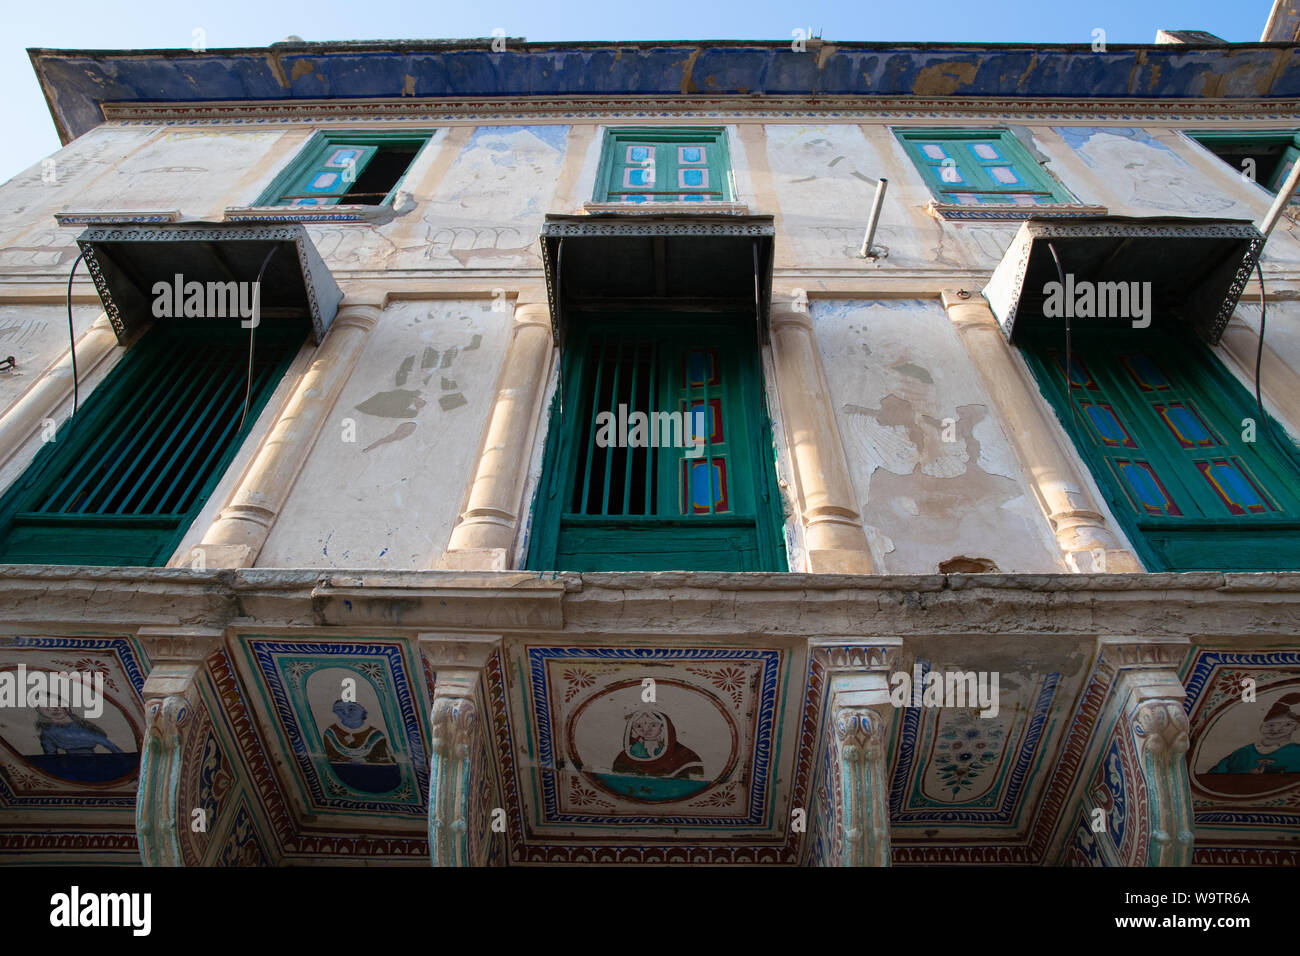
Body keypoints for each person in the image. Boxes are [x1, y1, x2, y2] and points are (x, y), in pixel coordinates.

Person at [1209, 693, 1300, 774]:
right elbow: (1214, 775)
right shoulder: (1243, 753)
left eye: (1287, 725)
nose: (1276, 729)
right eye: (1271, 725)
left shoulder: (1296, 752)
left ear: (1296, 727)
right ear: (1261, 726)